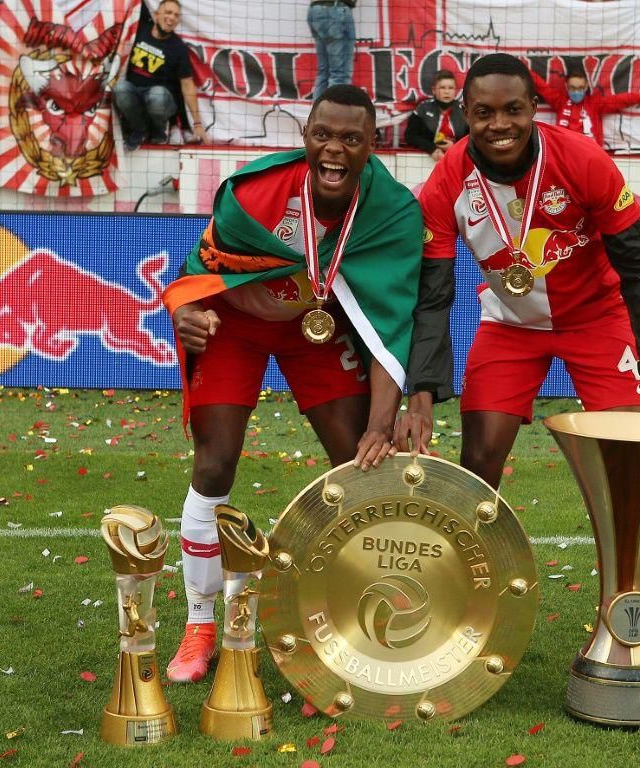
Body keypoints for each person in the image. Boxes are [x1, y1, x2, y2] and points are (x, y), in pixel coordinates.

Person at [160, 85, 430, 682]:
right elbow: (198, 270)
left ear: (373, 144)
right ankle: (200, 624)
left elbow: (390, 325)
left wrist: (381, 424)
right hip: (236, 324)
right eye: (322, 135)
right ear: (304, 136)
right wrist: (187, 310)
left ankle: (364, 611)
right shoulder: (255, 191)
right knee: (214, 461)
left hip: (316, 328)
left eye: (351, 139)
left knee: (360, 461)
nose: (334, 149)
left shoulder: (391, 211)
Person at [398, 53, 640, 490]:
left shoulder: (582, 158)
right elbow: (432, 294)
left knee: (628, 456)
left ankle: (622, 539)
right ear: (465, 113)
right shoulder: (446, 181)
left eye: (513, 109)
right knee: (479, 458)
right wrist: (421, 393)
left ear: (533, 107)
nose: (499, 125)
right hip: (510, 325)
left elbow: (639, 263)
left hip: (597, 319)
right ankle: (482, 537)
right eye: (484, 113)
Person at [113, 0, 206, 151]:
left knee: (158, 95)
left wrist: (197, 123)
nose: (172, 17)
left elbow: (188, 85)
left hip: (161, 100)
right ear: (156, 15)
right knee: (120, 88)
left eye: (176, 15)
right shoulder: (139, 30)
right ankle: (140, 129)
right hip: (134, 94)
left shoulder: (179, 48)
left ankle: (159, 129)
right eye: (168, 12)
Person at [530, 67, 640, 149]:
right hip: (564, 154)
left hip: (590, 154)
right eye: (573, 88)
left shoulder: (594, 103)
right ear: (566, 87)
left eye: (580, 88)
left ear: (586, 87)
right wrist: (521, 67)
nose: (576, 91)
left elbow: (621, 100)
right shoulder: (559, 100)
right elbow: (540, 85)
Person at [404, 69, 469, 162]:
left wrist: (454, 146)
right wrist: (432, 149)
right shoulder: (423, 108)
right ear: (434, 90)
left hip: (457, 158)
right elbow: (410, 135)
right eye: (442, 88)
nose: (447, 92)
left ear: (455, 90)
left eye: (451, 88)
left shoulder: (464, 111)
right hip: (426, 159)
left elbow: (472, 139)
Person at [307, 0, 357, 100]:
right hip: (335, 10)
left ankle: (318, 109)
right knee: (340, 75)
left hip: (315, 10)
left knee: (324, 73)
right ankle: (334, 109)